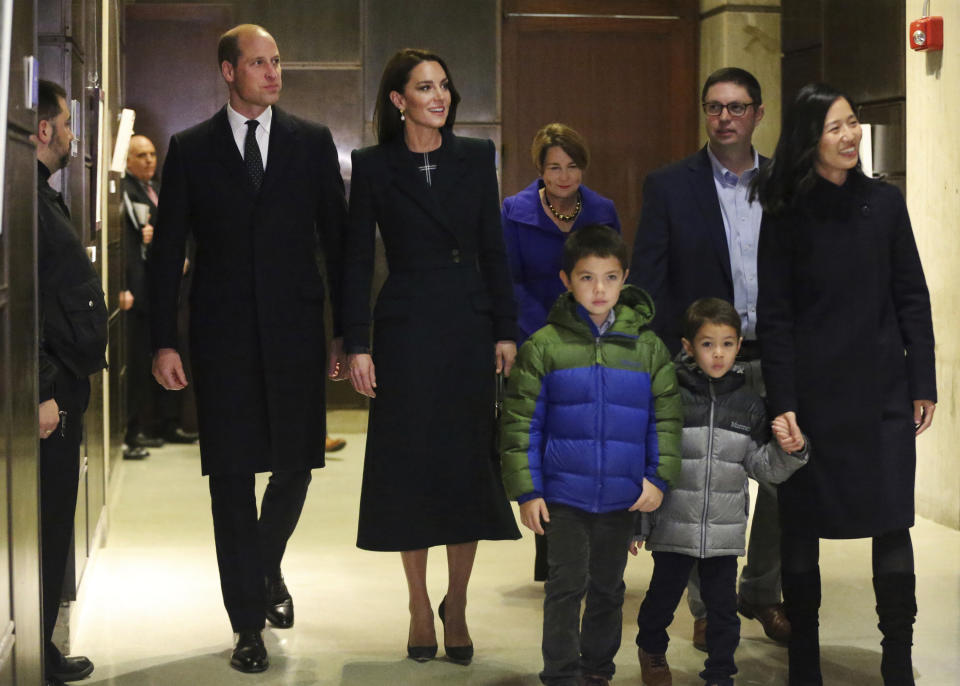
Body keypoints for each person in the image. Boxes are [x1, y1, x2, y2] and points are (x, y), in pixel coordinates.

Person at [149, 24, 348, 673]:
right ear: (229, 72)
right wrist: (162, 341)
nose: (273, 72)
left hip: (296, 335)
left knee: (297, 464)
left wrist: (349, 333)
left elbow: (340, 243)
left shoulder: (310, 143)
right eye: (258, 63)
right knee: (230, 479)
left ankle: (263, 569)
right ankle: (246, 626)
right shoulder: (191, 148)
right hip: (222, 341)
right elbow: (167, 253)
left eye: (277, 61)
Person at [753, 83, 936, 686]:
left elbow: (911, 293)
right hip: (812, 401)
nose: (851, 135)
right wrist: (783, 404)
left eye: (853, 123)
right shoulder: (784, 213)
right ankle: (804, 656)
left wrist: (923, 380)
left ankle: (898, 658)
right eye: (836, 126)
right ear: (811, 137)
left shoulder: (884, 203)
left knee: (892, 521)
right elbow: (775, 316)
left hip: (882, 393)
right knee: (803, 529)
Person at [343, 48, 521, 664]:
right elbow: (357, 261)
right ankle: (420, 604)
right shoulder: (371, 166)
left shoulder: (475, 157)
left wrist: (505, 329)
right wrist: (357, 343)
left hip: (466, 326)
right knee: (408, 469)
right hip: (404, 330)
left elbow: (494, 250)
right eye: (425, 88)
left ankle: (459, 602)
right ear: (399, 100)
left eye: (444, 86)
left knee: (463, 466)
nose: (440, 97)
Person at [629, 67, 788, 649]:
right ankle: (704, 604)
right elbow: (648, 277)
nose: (726, 117)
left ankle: (763, 593)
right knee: (698, 480)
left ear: (758, 113)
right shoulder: (670, 186)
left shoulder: (785, 183)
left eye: (738, 107)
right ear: (705, 112)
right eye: (715, 107)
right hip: (698, 359)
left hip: (775, 354)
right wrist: (660, 357)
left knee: (778, 481)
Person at [499, 224, 681, 686]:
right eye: (586, 277)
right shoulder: (543, 347)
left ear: (625, 279)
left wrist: (658, 478)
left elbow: (666, 420)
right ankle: (560, 674)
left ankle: (597, 671)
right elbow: (521, 424)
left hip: (622, 496)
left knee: (608, 589)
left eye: (610, 277)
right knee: (564, 588)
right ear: (566, 280)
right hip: (564, 495)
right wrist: (527, 490)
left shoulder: (648, 350)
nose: (599, 289)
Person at [634, 298, 808, 686]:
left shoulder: (749, 407)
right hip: (673, 529)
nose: (718, 354)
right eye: (708, 344)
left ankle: (720, 673)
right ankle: (651, 648)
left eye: (727, 344)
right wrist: (639, 524)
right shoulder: (671, 399)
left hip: (723, 534)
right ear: (687, 346)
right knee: (661, 600)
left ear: (739, 346)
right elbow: (651, 462)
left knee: (723, 610)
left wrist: (790, 450)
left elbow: (761, 468)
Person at [501, 123, 621, 581]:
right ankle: (552, 551)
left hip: (593, 336)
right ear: (541, 169)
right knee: (547, 441)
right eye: (554, 167)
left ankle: (590, 545)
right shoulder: (515, 209)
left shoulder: (603, 210)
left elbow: (613, 273)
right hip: (533, 335)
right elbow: (508, 278)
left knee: (589, 436)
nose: (564, 176)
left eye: (572, 166)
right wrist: (539, 331)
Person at [35, 79, 107, 686]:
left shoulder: (43, 194)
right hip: (50, 392)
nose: (73, 134)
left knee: (56, 521)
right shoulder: (22, 201)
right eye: (66, 123)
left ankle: (39, 650)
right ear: (43, 130)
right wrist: (40, 389)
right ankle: (35, 657)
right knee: (46, 525)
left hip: (66, 383)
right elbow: (20, 308)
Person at [120, 134, 199, 459]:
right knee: (140, 362)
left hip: (166, 290)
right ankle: (136, 429)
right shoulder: (125, 191)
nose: (149, 160)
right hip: (140, 292)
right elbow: (125, 243)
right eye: (141, 155)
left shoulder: (154, 188)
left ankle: (168, 422)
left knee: (171, 352)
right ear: (126, 160)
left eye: (153, 154)